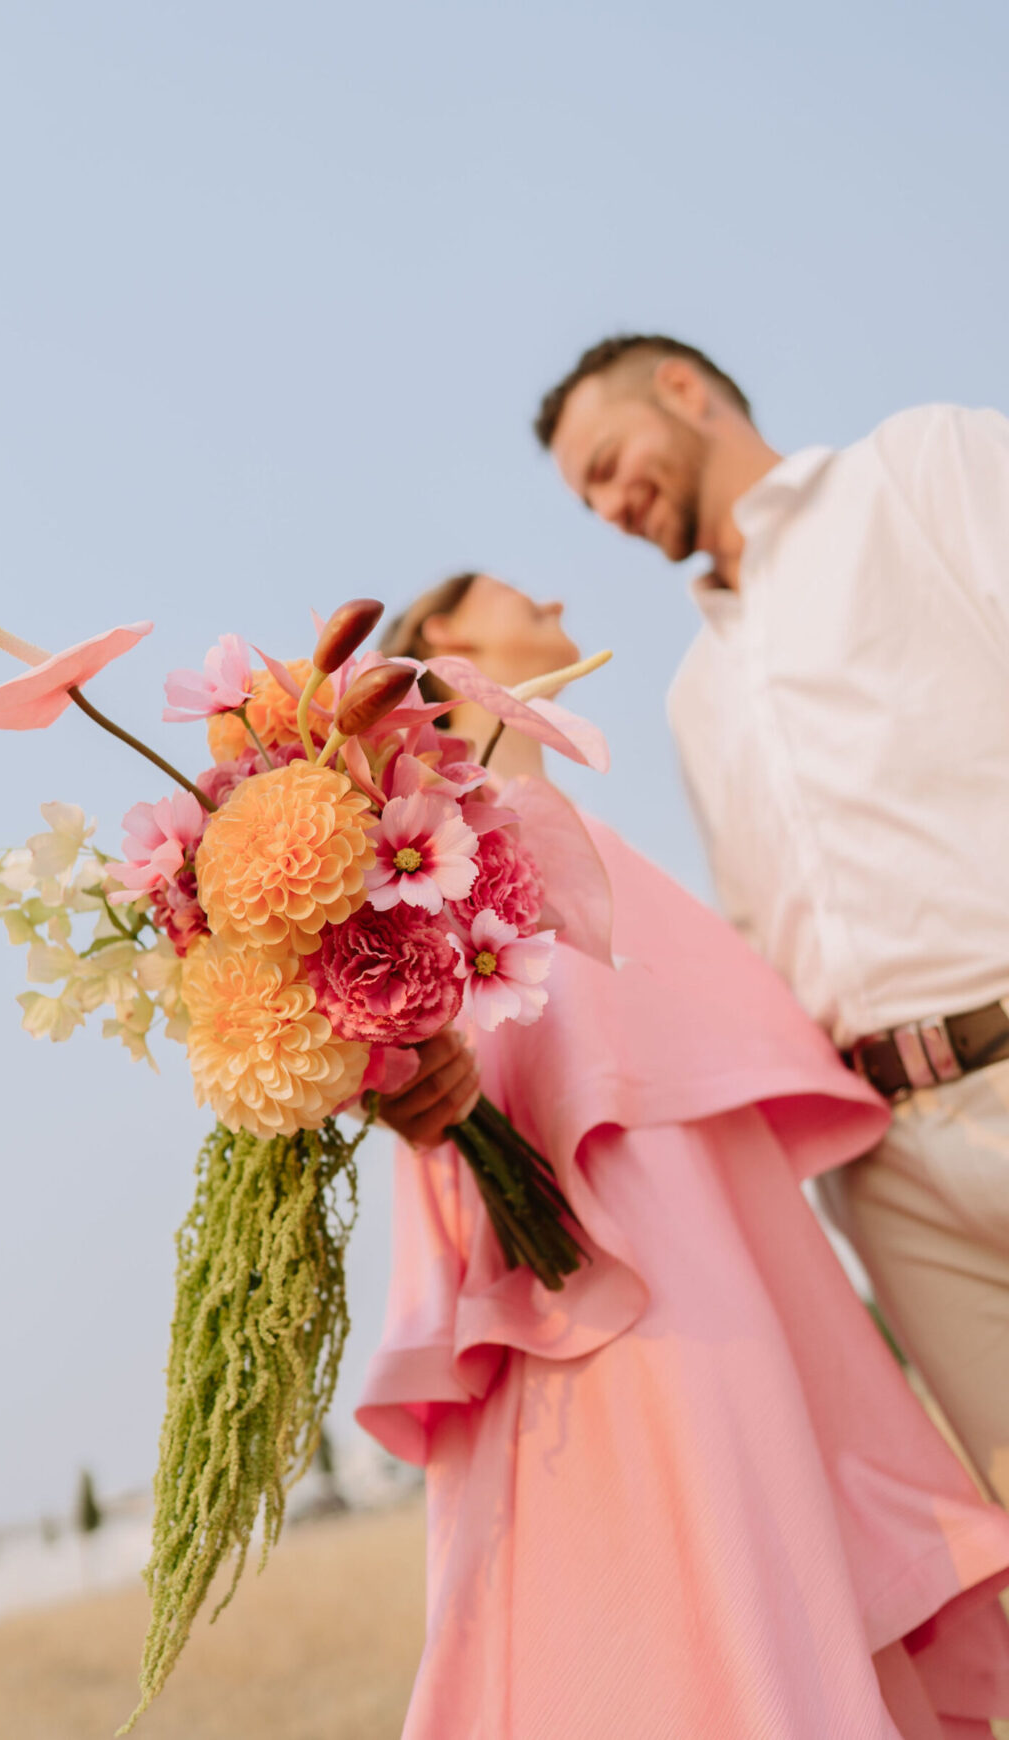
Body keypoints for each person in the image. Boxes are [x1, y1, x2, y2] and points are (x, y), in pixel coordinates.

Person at [362, 573, 1009, 1738]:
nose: (554, 596)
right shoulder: (428, 854)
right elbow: (424, 1067)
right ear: (444, 634)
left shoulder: (580, 843)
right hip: (617, 1298)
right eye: (511, 589)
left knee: (771, 1558)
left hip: (722, 1256)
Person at [533, 335, 1009, 1509]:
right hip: (886, 1170)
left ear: (683, 390)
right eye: (585, 496)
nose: (607, 505)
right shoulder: (693, 696)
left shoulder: (920, 467)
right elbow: (752, 944)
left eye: (607, 461)